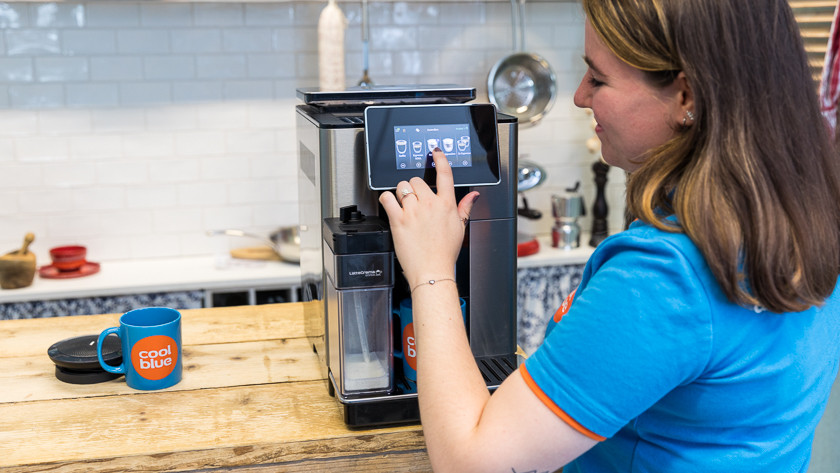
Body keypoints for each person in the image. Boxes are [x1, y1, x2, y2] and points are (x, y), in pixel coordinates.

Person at [378, 0, 840, 471]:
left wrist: (431, 269)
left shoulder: (666, 277)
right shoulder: (805, 219)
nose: (580, 96)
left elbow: (471, 464)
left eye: (598, 79)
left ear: (687, 97)